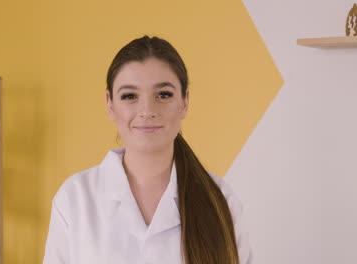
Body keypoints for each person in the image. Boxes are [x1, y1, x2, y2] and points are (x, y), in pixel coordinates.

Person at [43, 35, 253, 264]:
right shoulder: (75, 198)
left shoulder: (219, 199)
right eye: (130, 96)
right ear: (110, 104)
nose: (147, 110)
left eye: (163, 95)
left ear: (185, 102)